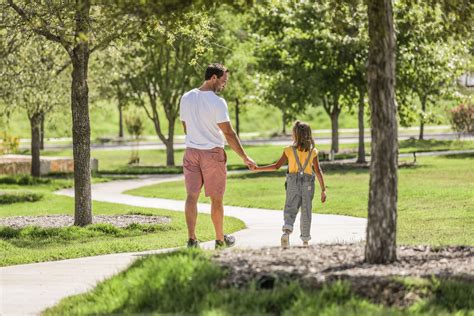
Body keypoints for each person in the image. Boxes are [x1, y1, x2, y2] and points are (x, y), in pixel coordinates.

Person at [179, 63, 256, 249]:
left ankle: (192, 240)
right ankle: (220, 240)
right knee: (216, 199)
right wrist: (245, 157)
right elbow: (229, 133)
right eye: (223, 81)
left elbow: (185, 126)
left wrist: (196, 138)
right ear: (213, 77)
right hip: (212, 154)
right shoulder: (217, 102)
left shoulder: (186, 97)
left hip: (190, 152)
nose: (224, 85)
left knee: (191, 196)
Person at [252, 121, 326, 248]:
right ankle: (305, 241)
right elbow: (318, 171)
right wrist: (323, 189)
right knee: (306, 210)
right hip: (308, 184)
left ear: (296, 135)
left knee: (290, 208)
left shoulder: (289, 150)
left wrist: (257, 168)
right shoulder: (313, 151)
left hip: (292, 182)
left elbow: (276, 166)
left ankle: (286, 232)